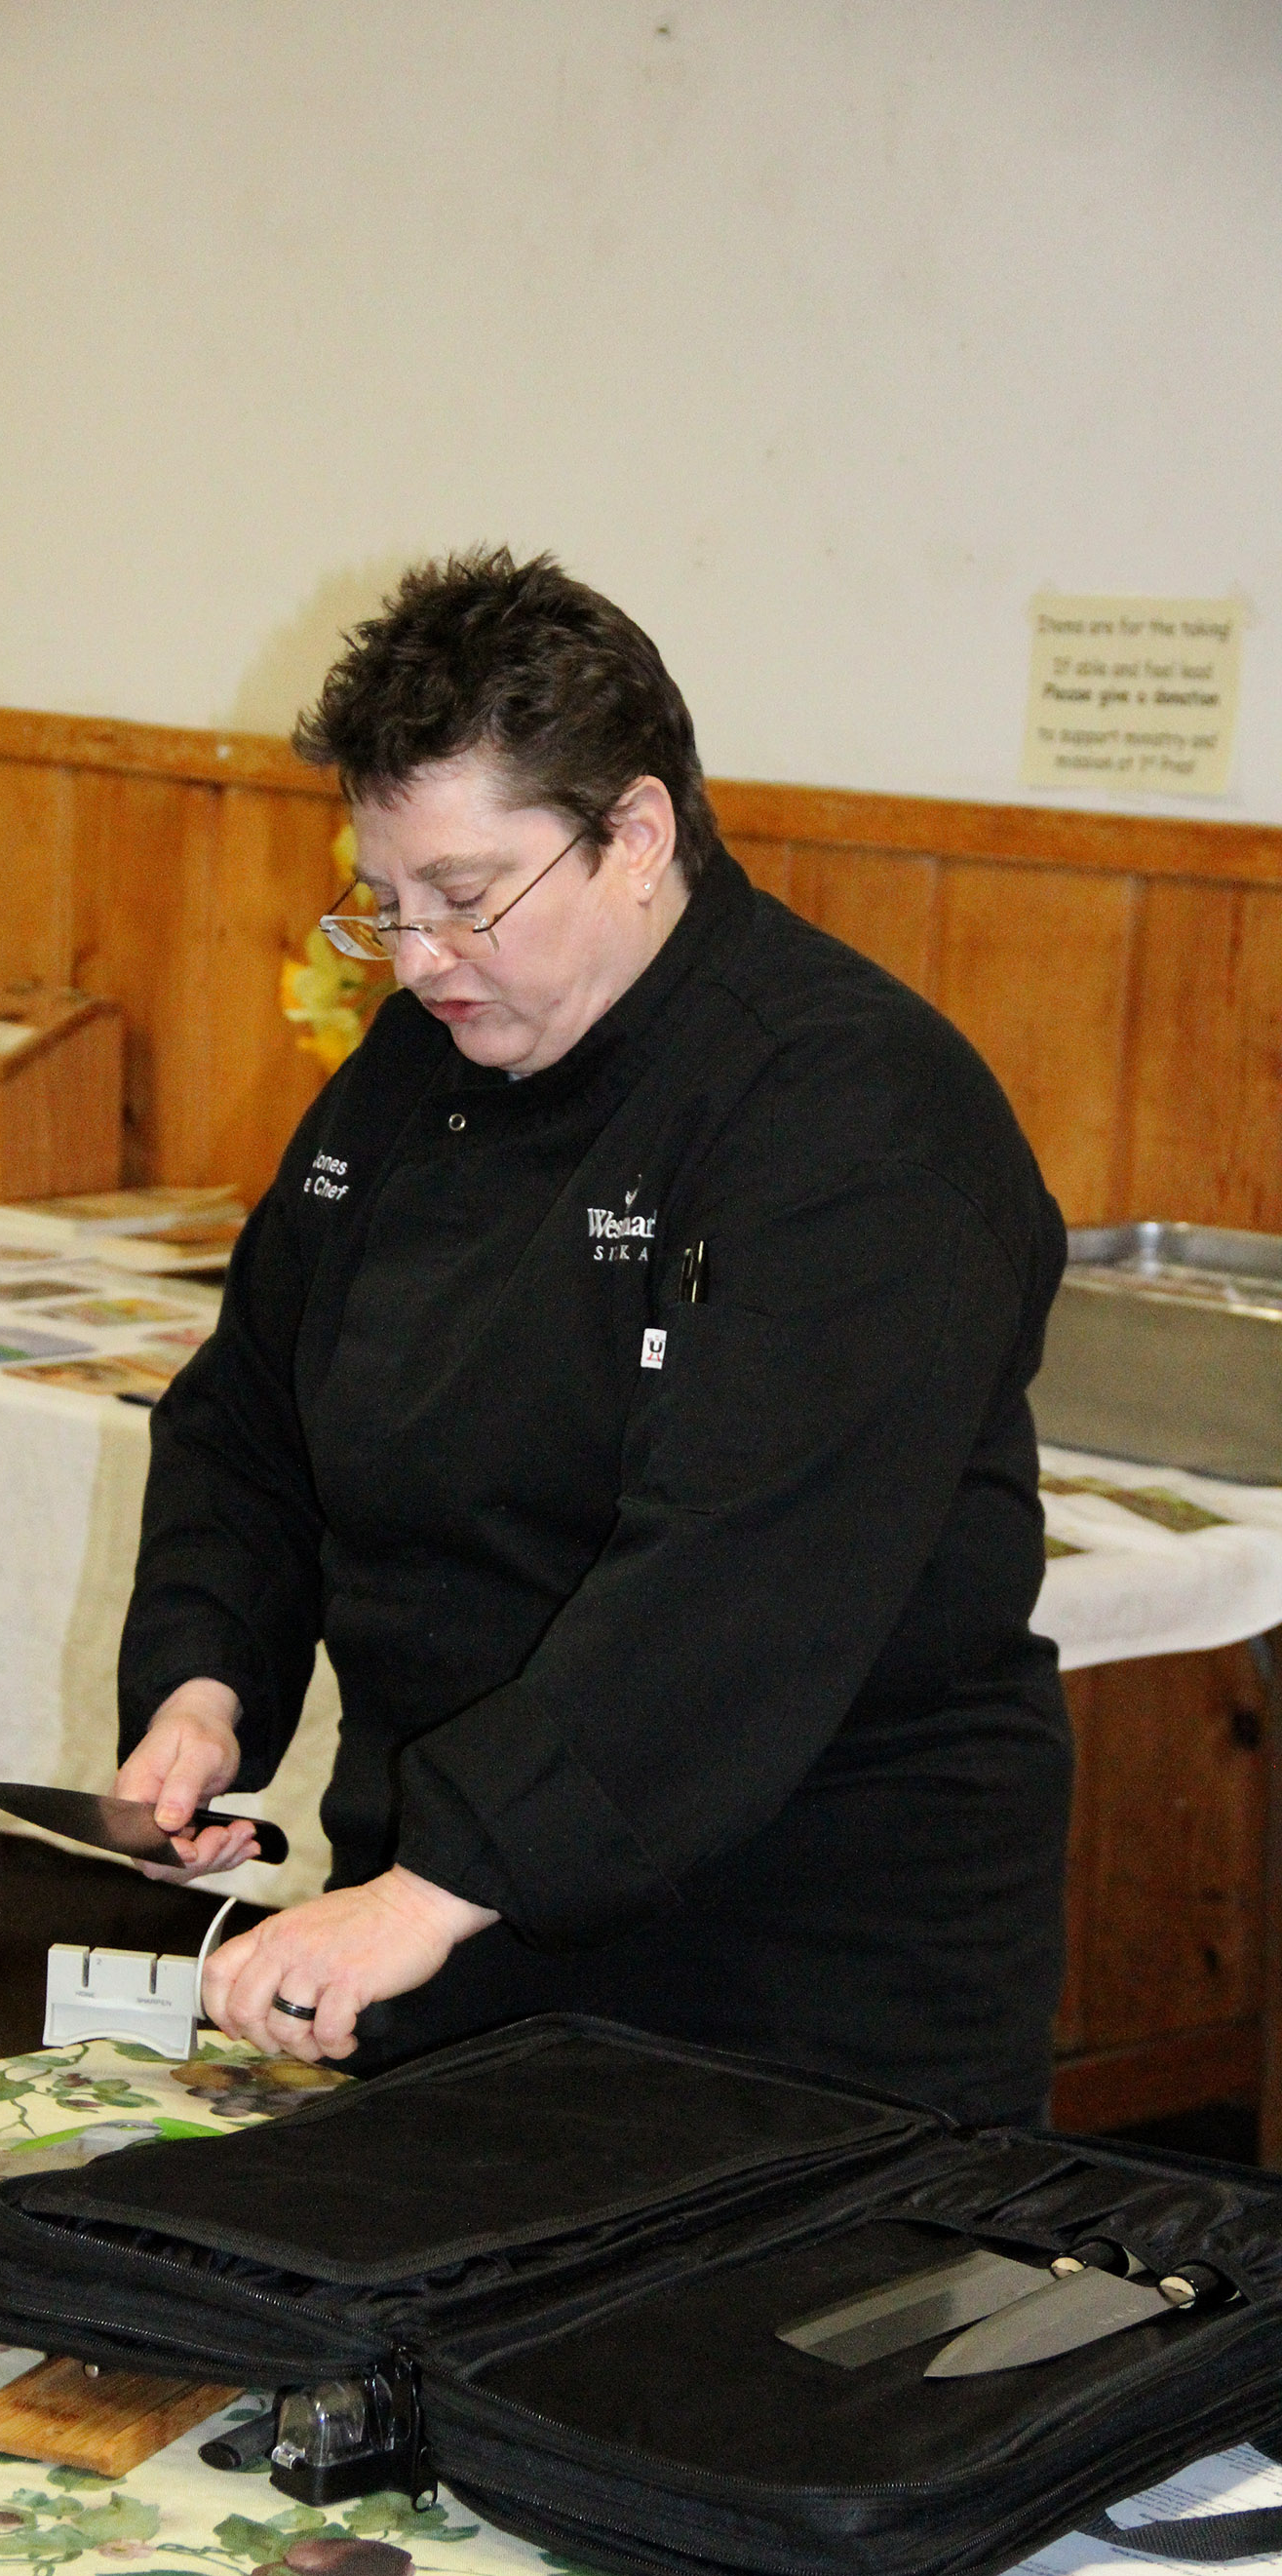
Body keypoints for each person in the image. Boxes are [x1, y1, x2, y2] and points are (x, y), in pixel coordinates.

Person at [111, 548, 1072, 2125]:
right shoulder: (413, 1071)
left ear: (634, 836)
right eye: (387, 907)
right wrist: (206, 1681)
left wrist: (440, 1886)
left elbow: (742, 1585)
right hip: (447, 1927)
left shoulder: (854, 1117)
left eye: (467, 900)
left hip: (796, 1985)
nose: (420, 960)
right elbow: (256, 1419)